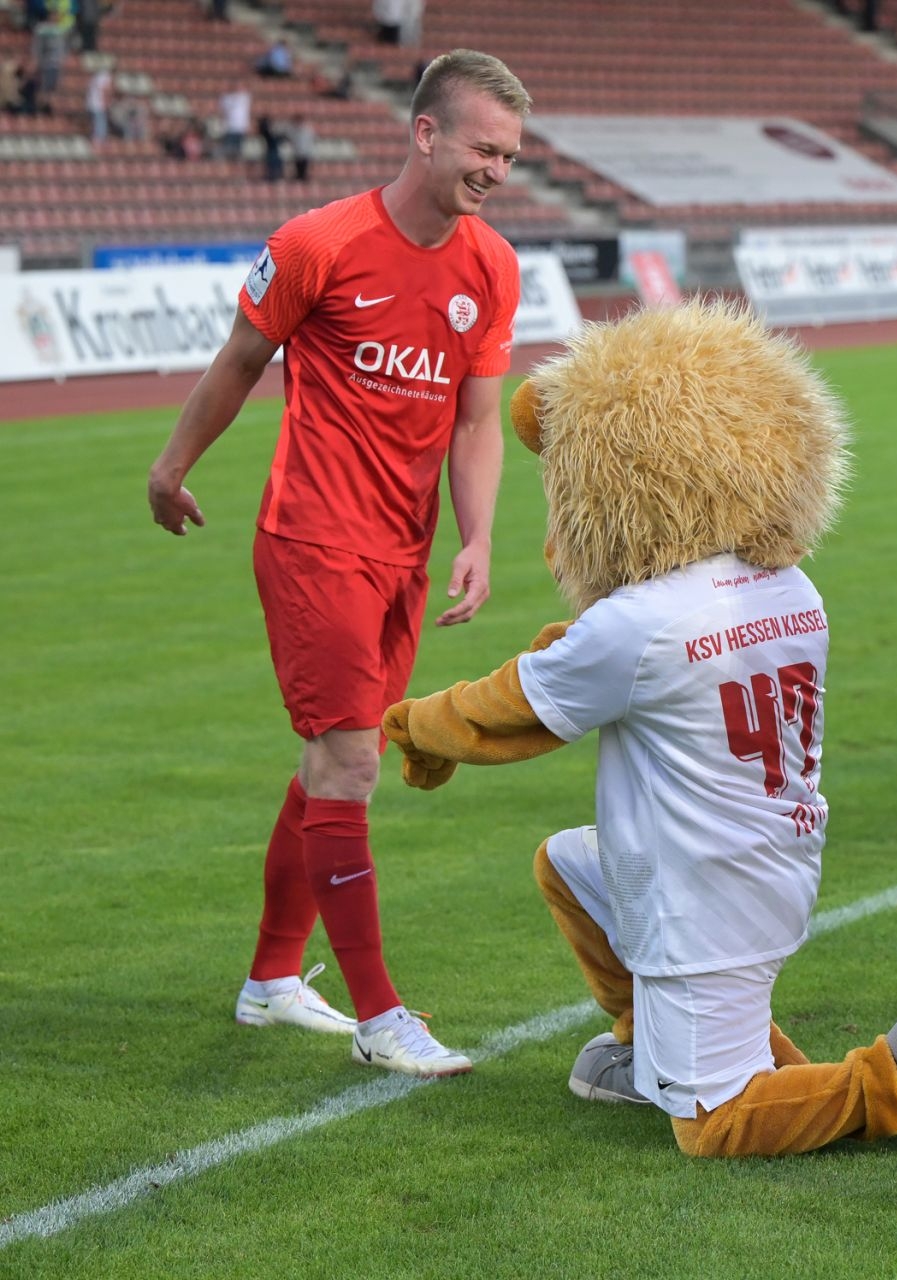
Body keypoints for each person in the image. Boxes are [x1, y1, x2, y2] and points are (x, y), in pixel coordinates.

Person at [384, 303, 897, 1160]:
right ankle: (648, 1047)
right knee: (570, 866)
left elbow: (510, 709)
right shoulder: (789, 587)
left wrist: (413, 727)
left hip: (700, 896)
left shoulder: (639, 623)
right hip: (765, 855)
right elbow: (625, 655)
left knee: (717, 1126)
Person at [144, 49, 529, 1078]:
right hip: (314, 540)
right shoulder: (318, 243)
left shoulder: (492, 265)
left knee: (330, 761)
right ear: (425, 133)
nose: (497, 170)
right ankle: (380, 1015)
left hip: (403, 552)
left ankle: (272, 978)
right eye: (484, 148)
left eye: (510, 155)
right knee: (352, 762)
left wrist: (477, 536)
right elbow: (238, 362)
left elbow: (476, 419)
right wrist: (171, 468)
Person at [218, 84, 250, 160]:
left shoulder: (245, 97)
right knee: (229, 149)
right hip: (230, 127)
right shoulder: (227, 98)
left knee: (239, 149)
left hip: (241, 128)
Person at [86, 64, 109, 144]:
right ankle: (99, 141)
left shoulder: (95, 77)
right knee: (100, 124)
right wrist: (105, 102)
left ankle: (96, 139)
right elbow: (103, 90)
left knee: (95, 123)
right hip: (98, 104)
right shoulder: (105, 76)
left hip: (91, 103)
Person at [258, 112, 285, 181]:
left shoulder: (269, 132)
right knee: (273, 164)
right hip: (271, 151)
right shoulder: (266, 132)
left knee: (275, 164)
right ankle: (272, 176)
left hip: (273, 151)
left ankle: (275, 176)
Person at [289, 114, 316, 181]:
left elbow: (310, 143)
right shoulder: (293, 131)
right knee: (298, 173)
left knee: (304, 173)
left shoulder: (308, 130)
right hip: (297, 154)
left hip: (305, 154)